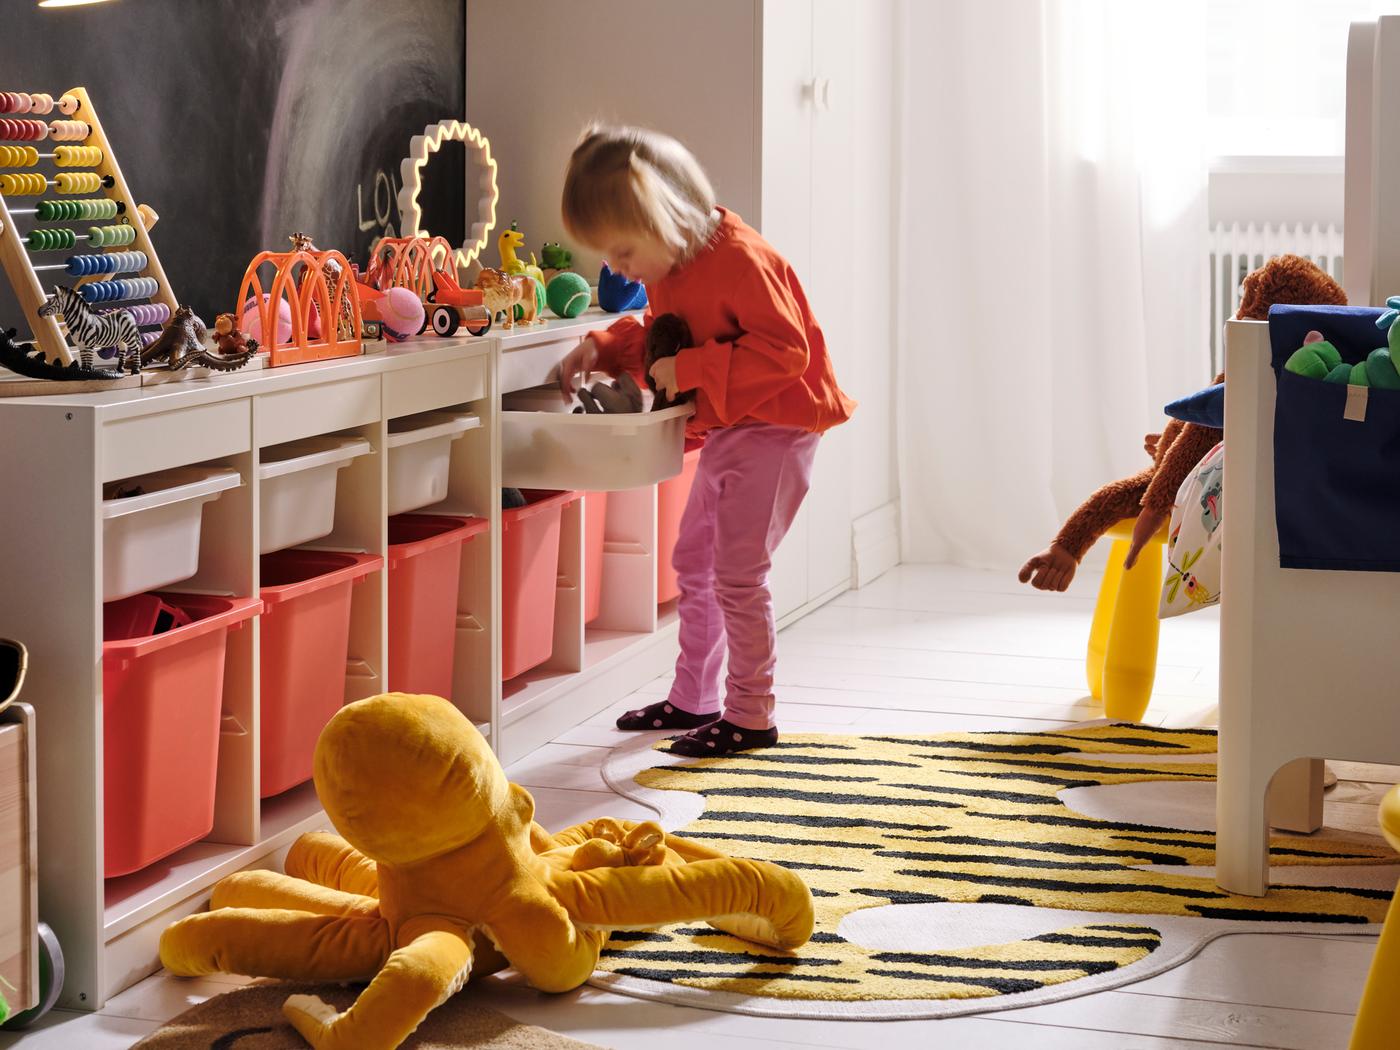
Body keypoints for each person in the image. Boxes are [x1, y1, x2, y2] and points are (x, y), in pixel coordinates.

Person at [556, 124, 855, 755]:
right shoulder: (675, 264)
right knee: (695, 561)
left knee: (739, 574)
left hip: (778, 428)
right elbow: (670, 337)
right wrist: (604, 346)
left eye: (621, 252)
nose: (614, 268)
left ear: (663, 217)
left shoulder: (742, 260)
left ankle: (751, 714)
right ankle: (694, 697)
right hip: (734, 427)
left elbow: (786, 351)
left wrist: (690, 372)